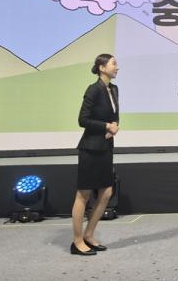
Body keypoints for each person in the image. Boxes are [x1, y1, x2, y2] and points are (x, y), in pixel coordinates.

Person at [70, 53, 120, 256]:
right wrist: (106, 126)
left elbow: (114, 116)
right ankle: (77, 241)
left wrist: (114, 126)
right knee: (84, 194)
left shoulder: (114, 89)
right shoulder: (93, 89)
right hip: (90, 148)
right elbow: (82, 120)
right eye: (114, 64)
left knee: (106, 192)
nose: (117, 67)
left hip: (106, 147)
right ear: (102, 67)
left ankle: (89, 235)